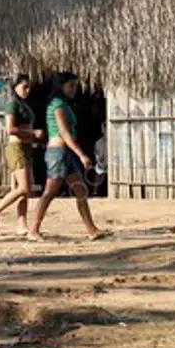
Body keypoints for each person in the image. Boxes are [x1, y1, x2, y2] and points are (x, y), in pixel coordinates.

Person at [28, 72, 109, 241]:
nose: (74, 89)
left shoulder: (64, 104)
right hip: (58, 153)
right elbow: (64, 132)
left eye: (75, 86)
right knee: (50, 192)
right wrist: (81, 155)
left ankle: (92, 230)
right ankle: (33, 229)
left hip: (66, 153)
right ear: (61, 86)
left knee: (81, 191)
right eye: (71, 85)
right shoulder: (57, 104)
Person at [0, 74, 44, 236]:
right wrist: (32, 132)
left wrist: (34, 139)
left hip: (26, 146)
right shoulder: (12, 105)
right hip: (16, 147)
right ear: (15, 87)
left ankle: (21, 224)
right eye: (24, 86)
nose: (27, 90)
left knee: (25, 189)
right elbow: (10, 129)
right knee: (24, 187)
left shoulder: (25, 105)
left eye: (29, 86)